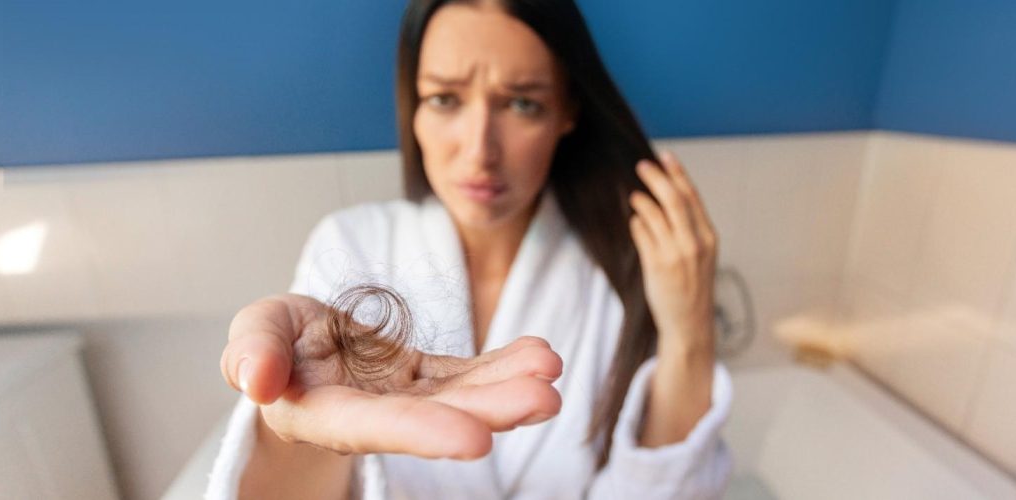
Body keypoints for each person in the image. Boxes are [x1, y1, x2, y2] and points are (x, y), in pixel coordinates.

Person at [207, 0, 732, 498]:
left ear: (567, 112)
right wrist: (295, 426)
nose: (480, 150)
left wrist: (689, 335)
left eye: (522, 104)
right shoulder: (350, 245)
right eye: (445, 99)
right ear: (414, 106)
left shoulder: (622, 269)